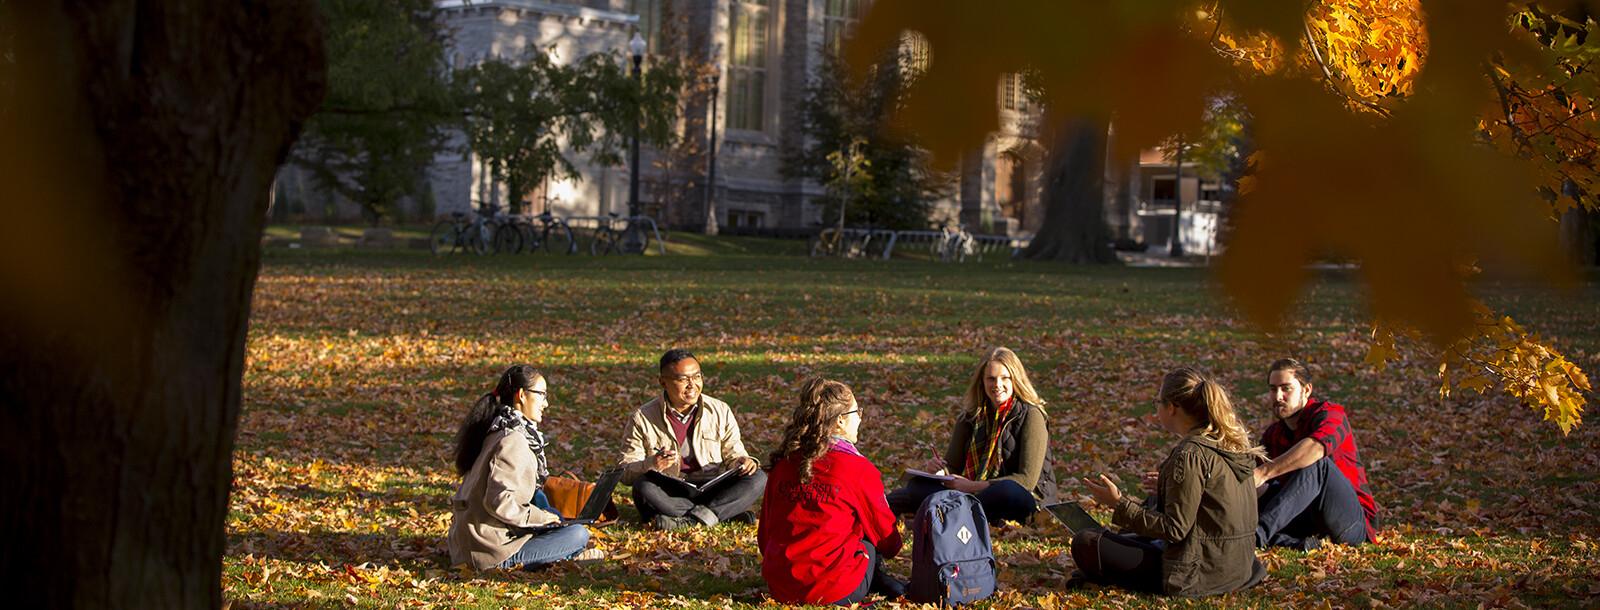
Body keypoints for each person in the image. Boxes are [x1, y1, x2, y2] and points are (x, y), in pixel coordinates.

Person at [1075, 367, 1266, 597]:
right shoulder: (1232, 445)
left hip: (1198, 575)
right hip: (1238, 567)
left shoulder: (1190, 454)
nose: (1156, 408)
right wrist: (1167, 488)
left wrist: (1118, 503)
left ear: (1172, 408)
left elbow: (1175, 529)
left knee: (1085, 541)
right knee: (1139, 516)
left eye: (1158, 402)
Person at [759, 377, 905, 605]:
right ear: (840, 421)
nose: (860, 418)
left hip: (781, 585)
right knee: (866, 537)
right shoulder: (857, 469)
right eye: (857, 412)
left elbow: (765, 533)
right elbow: (888, 541)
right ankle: (876, 579)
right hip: (833, 589)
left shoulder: (785, 462)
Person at [448, 365, 604, 570]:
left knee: (542, 501)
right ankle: (565, 555)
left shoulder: (497, 428)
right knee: (578, 534)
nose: (546, 403)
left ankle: (562, 553)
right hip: (488, 552)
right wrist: (542, 518)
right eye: (542, 395)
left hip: (471, 543)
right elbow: (498, 501)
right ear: (521, 395)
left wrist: (545, 515)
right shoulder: (513, 439)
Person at [887, 347, 1057, 524]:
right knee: (916, 486)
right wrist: (937, 471)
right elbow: (952, 466)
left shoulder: (1031, 415)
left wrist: (972, 486)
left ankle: (951, 513)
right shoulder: (971, 416)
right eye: (991, 378)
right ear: (982, 382)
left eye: (1005, 378)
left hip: (1023, 497)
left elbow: (1026, 480)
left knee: (1006, 490)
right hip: (969, 493)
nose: (997, 385)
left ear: (1016, 380)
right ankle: (958, 513)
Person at [617, 349, 766, 530]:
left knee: (757, 477)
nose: (692, 385)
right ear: (663, 382)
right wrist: (652, 463)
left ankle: (689, 521)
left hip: (713, 485)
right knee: (643, 487)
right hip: (672, 490)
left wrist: (742, 461)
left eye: (697, 377)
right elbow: (624, 472)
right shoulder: (642, 417)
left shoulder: (720, 410)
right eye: (682, 379)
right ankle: (720, 514)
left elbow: (734, 452)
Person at [1253, 358, 1377, 549]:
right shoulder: (1274, 434)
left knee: (1317, 464)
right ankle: (1294, 544)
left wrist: (1264, 473)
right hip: (1307, 520)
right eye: (1273, 389)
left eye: (1286, 388)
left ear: (1307, 390)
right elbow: (1253, 476)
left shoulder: (1331, 414)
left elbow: (1316, 449)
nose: (1278, 396)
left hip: (1351, 524)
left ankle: (1256, 537)